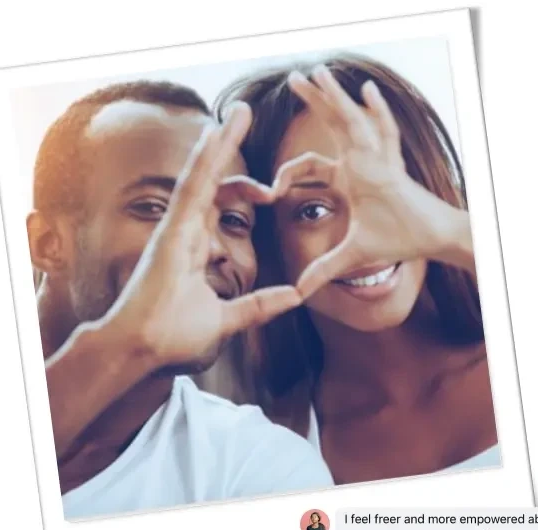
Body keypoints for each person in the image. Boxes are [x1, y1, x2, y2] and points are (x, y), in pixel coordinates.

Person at [28, 80, 334, 519]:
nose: (208, 245)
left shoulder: (258, 469)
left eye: (232, 219)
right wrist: (120, 348)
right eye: (155, 208)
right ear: (47, 242)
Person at [214, 54, 501, 485]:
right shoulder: (266, 443)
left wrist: (451, 232)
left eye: (387, 191)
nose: (362, 233)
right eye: (312, 210)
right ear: (268, 240)